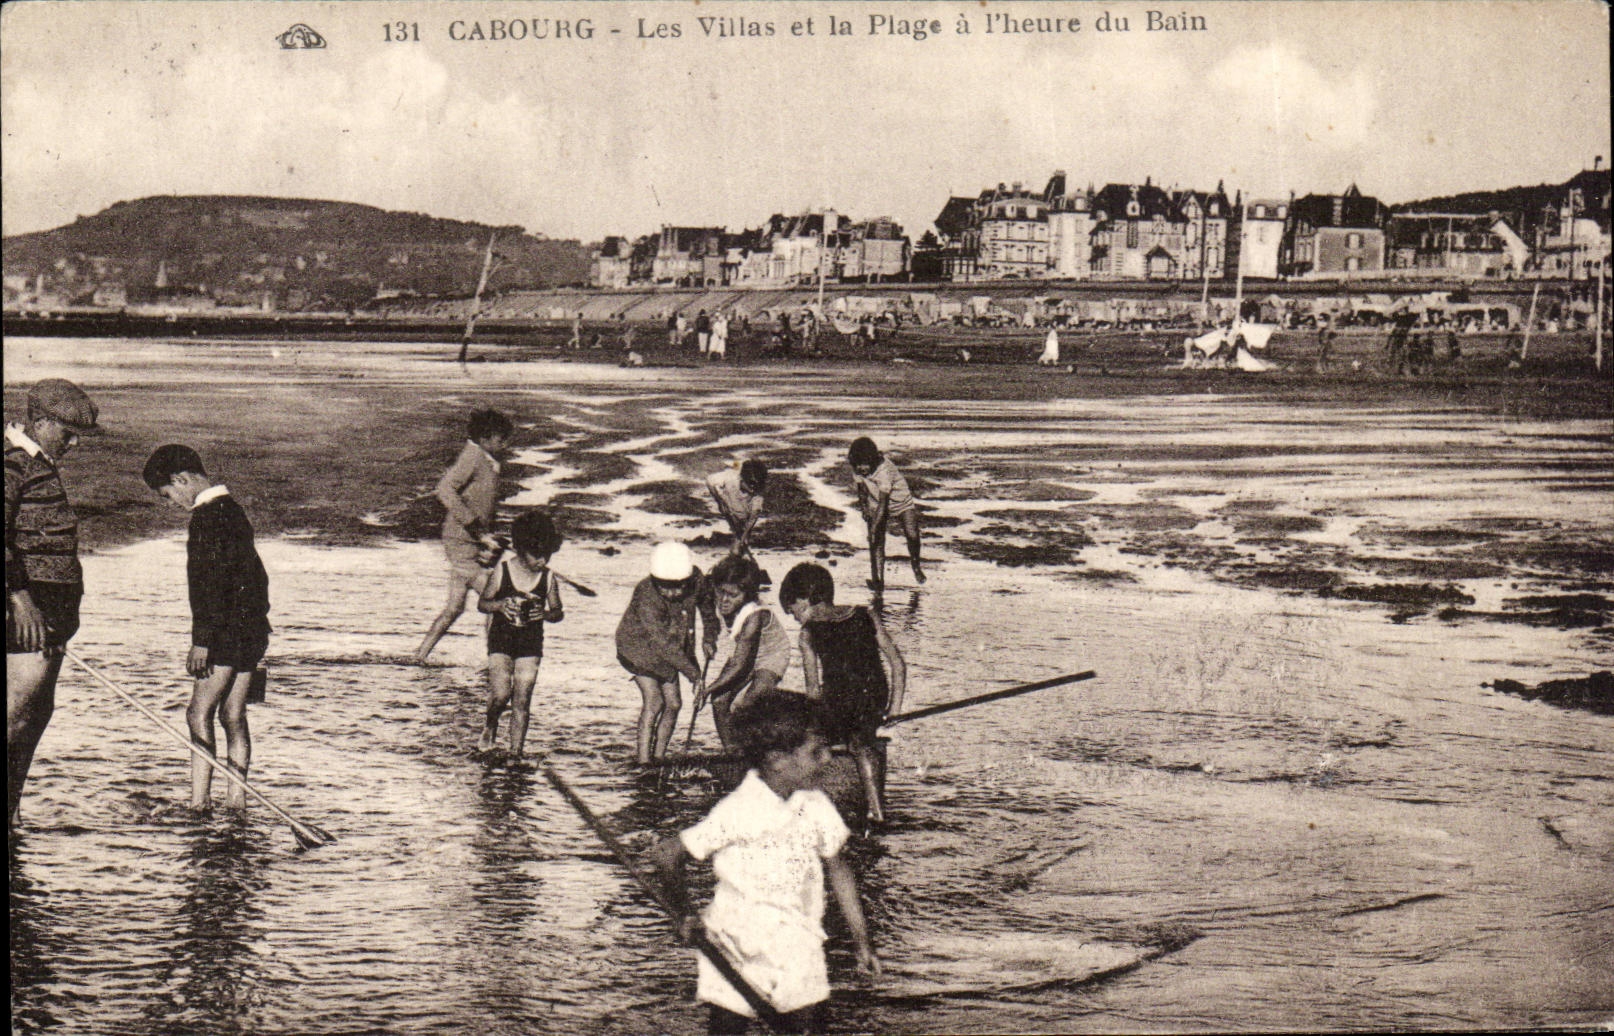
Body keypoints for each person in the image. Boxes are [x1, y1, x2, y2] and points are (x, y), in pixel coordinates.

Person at [651, 692, 880, 1034]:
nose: (829, 758)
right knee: (728, 1030)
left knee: (810, 1029)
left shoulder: (816, 805)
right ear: (777, 759)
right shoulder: (739, 810)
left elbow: (838, 868)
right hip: (735, 946)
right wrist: (684, 913)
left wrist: (862, 941)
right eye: (816, 751)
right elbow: (667, 854)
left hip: (798, 943)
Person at [142, 444, 272, 812]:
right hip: (253, 632)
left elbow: (207, 587)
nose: (170, 503)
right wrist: (255, 628)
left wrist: (202, 642)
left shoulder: (204, 519)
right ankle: (237, 801)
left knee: (197, 714)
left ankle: (199, 803)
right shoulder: (235, 512)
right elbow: (256, 580)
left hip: (223, 635)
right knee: (233, 715)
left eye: (167, 495)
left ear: (181, 480)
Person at [7, 379, 101, 830]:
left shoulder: (35, 461)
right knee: (16, 717)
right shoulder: (13, 462)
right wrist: (20, 597)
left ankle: (13, 811)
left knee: (35, 715)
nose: (75, 442)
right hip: (28, 616)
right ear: (41, 423)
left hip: (51, 617)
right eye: (67, 432)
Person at [777, 563, 906, 824]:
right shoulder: (866, 614)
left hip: (839, 699)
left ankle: (820, 803)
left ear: (803, 601)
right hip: (874, 697)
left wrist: (810, 725)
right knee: (862, 739)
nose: (794, 618)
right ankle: (875, 808)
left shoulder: (807, 633)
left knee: (816, 737)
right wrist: (894, 709)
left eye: (792, 611)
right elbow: (897, 664)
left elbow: (812, 689)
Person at [414, 409, 513, 664]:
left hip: (472, 542)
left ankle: (419, 656)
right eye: (502, 440)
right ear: (486, 438)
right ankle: (495, 661)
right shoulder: (473, 456)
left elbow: (478, 501)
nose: (506, 445)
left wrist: (488, 534)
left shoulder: (484, 458)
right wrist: (474, 526)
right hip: (462, 542)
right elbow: (445, 490)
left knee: (455, 608)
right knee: (497, 601)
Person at [616, 542, 719, 764]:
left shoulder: (698, 581)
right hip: (638, 648)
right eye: (664, 587)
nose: (671, 593)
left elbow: (708, 610)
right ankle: (644, 763)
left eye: (677, 587)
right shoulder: (646, 595)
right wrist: (694, 674)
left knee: (674, 704)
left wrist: (709, 637)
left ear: (688, 580)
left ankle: (660, 758)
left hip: (672, 645)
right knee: (654, 702)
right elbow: (661, 644)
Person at [476, 511, 563, 758]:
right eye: (537, 555)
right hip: (501, 639)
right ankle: (491, 724)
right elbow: (483, 603)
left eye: (547, 555)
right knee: (502, 693)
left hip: (530, 643)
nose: (542, 561)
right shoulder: (503, 571)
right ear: (522, 550)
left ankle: (516, 753)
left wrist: (545, 615)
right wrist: (501, 605)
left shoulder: (547, 577)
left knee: (522, 698)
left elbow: (558, 612)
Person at [692, 555, 791, 751]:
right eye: (721, 592)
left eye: (733, 595)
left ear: (747, 595)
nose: (724, 600)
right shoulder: (717, 594)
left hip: (772, 654)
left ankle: (761, 752)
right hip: (743, 652)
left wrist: (707, 689)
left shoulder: (754, 616)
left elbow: (739, 665)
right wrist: (708, 640)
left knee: (750, 704)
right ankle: (732, 752)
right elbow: (707, 612)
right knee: (719, 701)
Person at [846, 437, 924, 591]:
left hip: (900, 502)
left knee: (912, 534)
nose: (862, 468)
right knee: (876, 542)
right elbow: (861, 491)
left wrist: (874, 527)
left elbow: (884, 504)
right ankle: (878, 581)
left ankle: (915, 565)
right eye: (859, 464)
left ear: (873, 460)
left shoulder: (884, 471)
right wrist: (865, 509)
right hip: (876, 502)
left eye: (865, 464)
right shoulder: (857, 468)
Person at [705, 459, 767, 559]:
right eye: (751, 485)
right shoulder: (728, 479)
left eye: (756, 486)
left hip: (740, 502)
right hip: (730, 492)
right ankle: (738, 546)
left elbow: (752, 518)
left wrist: (744, 538)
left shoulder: (758, 491)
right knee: (735, 514)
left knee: (742, 519)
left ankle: (740, 546)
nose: (753, 489)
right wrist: (720, 501)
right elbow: (709, 481)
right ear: (742, 479)